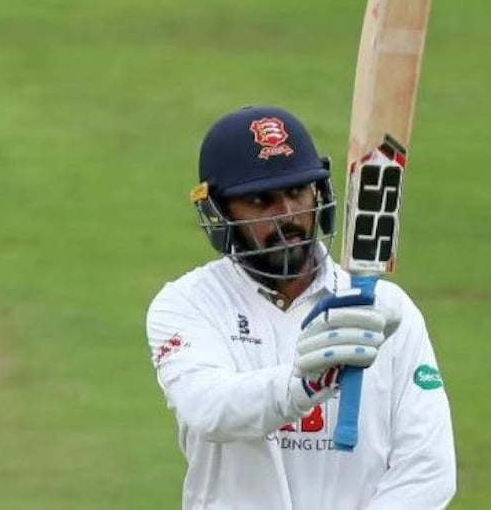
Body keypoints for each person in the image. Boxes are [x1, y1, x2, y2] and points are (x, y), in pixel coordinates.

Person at [145, 105, 456, 509]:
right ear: (219, 212)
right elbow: (209, 409)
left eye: (296, 192)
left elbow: (428, 468)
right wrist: (304, 384)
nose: (288, 215)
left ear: (320, 193)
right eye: (260, 200)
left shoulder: (388, 309)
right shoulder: (189, 304)